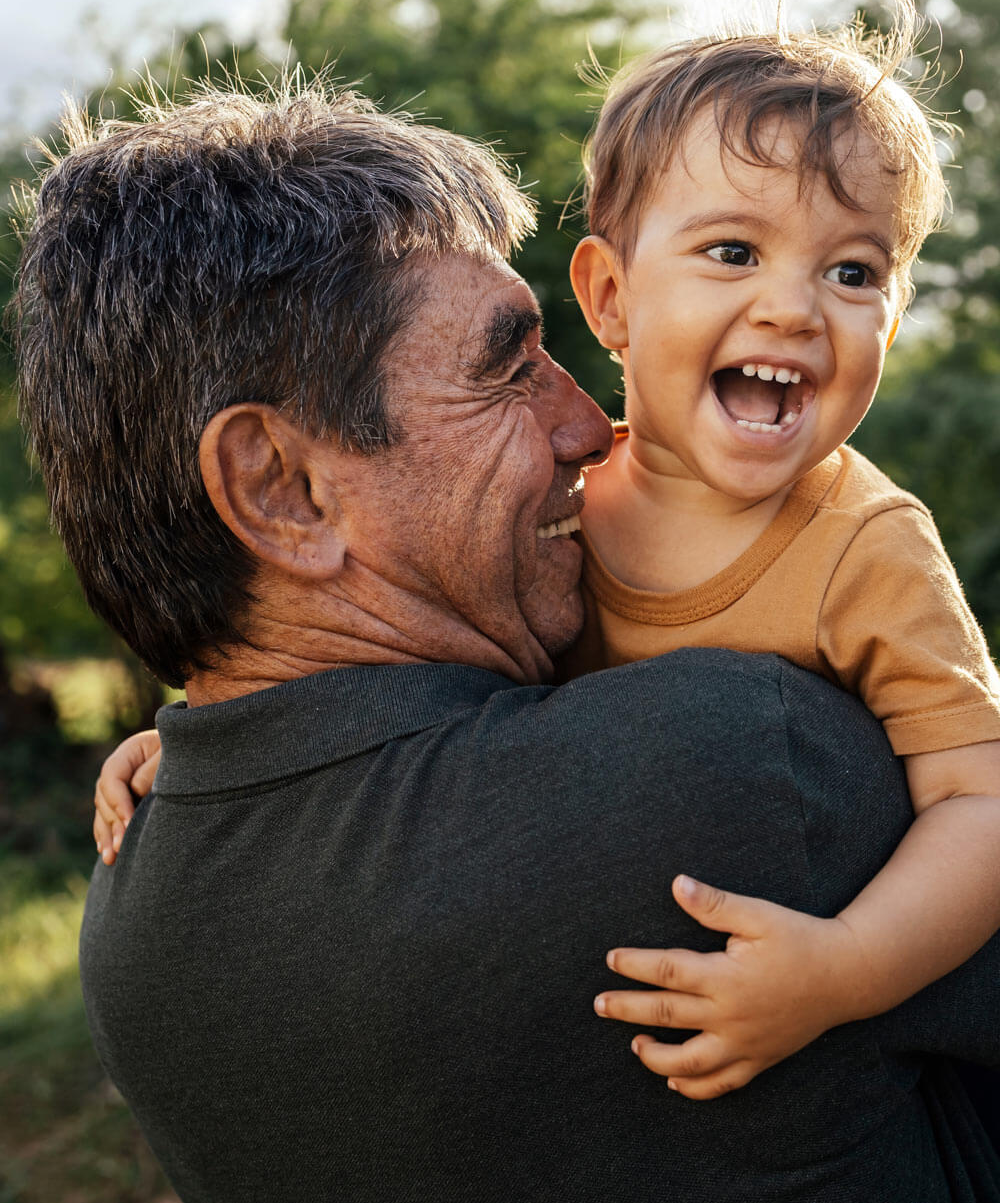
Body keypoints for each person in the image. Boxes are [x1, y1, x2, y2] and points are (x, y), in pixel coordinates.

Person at [15, 80, 1000, 1202]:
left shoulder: (133, 921)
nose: (589, 427)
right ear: (281, 488)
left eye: (853, 271)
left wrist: (181, 739)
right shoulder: (741, 759)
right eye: (504, 368)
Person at [559, 19, 1000, 1096]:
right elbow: (401, 669)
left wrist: (845, 969)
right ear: (611, 297)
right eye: (732, 252)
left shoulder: (865, 545)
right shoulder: (547, 511)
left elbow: (980, 805)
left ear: (890, 320)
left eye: (852, 270)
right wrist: (208, 742)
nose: (793, 307)